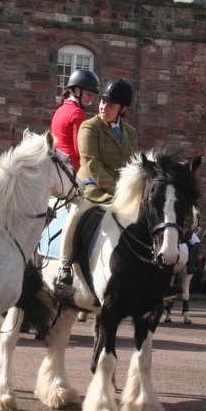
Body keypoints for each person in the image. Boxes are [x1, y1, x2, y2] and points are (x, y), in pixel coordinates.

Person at [56, 79, 137, 289]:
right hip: (93, 188)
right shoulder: (89, 126)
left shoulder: (131, 133)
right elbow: (91, 163)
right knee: (77, 214)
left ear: (123, 109)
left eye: (110, 105)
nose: (103, 107)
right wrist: (118, 190)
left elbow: (132, 165)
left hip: (122, 192)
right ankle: (64, 266)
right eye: (102, 102)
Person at [51, 69, 100, 171]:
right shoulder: (77, 112)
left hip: (56, 165)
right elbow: (80, 149)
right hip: (73, 168)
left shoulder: (59, 109)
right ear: (77, 91)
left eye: (93, 95)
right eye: (88, 94)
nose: (91, 98)